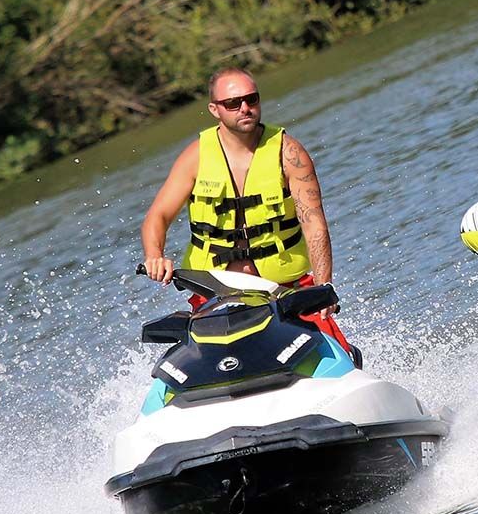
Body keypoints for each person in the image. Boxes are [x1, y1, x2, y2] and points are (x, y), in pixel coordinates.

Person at [141, 66, 343, 332]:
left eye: (252, 99)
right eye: (233, 103)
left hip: (286, 289)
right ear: (215, 110)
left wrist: (323, 286)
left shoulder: (289, 153)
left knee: (333, 349)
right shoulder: (195, 158)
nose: (245, 108)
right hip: (216, 294)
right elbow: (157, 217)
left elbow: (314, 224)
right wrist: (154, 256)